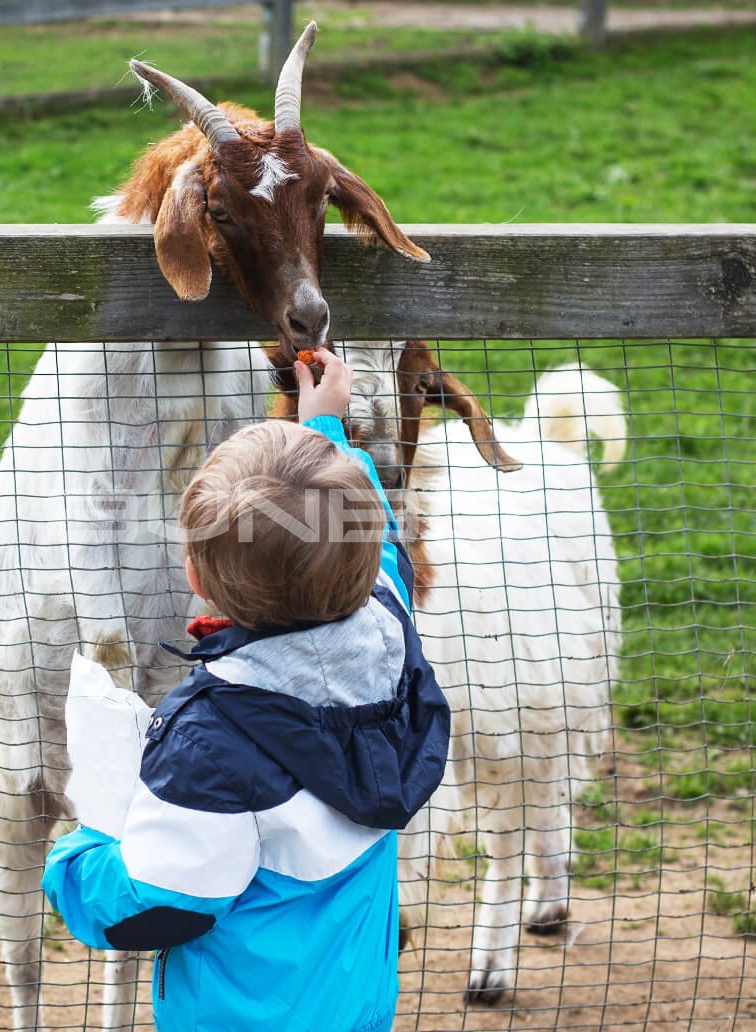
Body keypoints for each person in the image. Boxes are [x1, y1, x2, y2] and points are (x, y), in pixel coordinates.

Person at [43, 347, 451, 1032]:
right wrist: (324, 433)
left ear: (195, 579)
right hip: (355, 1009)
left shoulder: (215, 741)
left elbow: (161, 903)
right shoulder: (388, 631)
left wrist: (78, 857)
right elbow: (373, 544)